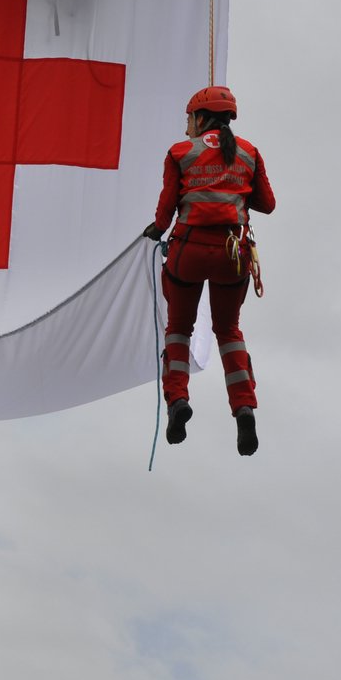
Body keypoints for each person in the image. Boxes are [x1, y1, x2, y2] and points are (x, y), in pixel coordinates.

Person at [144, 85, 275, 453]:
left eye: (189, 118)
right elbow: (268, 203)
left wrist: (154, 231)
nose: (186, 126)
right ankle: (244, 408)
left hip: (189, 250)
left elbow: (165, 211)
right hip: (232, 254)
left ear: (200, 118)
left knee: (179, 330)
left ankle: (178, 402)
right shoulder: (249, 152)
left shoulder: (180, 152)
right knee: (228, 330)